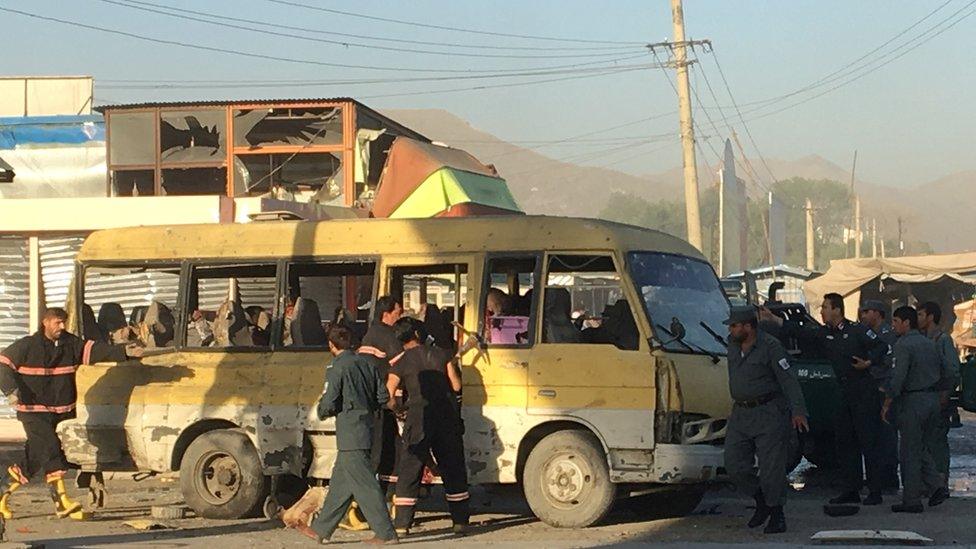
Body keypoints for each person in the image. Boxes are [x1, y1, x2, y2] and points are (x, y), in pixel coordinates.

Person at [0, 307, 141, 522]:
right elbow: (3, 364)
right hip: (33, 411)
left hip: (60, 412)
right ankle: (62, 503)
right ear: (45, 323)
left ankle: (2, 493)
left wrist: (124, 352)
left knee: (35, 458)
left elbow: (95, 351)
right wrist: (10, 390)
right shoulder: (27, 346)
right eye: (57, 323)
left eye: (64, 322)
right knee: (52, 451)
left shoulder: (70, 344)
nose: (62, 327)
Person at [760, 292, 889, 506]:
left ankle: (875, 491)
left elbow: (882, 347)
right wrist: (774, 319)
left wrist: (868, 363)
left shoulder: (856, 330)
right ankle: (851, 489)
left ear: (837, 310)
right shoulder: (824, 334)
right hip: (842, 392)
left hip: (863, 392)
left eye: (825, 307)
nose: (821, 311)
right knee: (845, 443)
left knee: (868, 442)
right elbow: (800, 332)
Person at [296, 325, 397, 544]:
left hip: (350, 432)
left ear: (331, 345)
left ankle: (386, 532)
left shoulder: (337, 366)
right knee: (341, 484)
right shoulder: (368, 364)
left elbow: (330, 399)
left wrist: (322, 411)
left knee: (366, 485)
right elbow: (382, 397)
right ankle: (321, 529)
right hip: (366, 428)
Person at [724, 306, 808, 534]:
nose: (731, 330)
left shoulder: (771, 347)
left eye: (734, 325)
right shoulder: (732, 345)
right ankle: (760, 499)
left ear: (748, 326)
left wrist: (798, 411)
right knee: (734, 464)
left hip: (768, 411)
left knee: (772, 467)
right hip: (741, 413)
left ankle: (776, 513)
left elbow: (788, 379)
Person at [387, 318, 469, 536]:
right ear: (417, 333)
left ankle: (403, 524)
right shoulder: (442, 354)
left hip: (418, 418)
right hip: (446, 417)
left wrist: (398, 409)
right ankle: (460, 522)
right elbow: (456, 385)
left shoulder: (401, 361)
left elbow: (389, 391)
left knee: (410, 469)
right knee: (453, 467)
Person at [882, 306, 949, 513]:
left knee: (909, 452)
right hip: (932, 400)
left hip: (913, 401)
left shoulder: (903, 345)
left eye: (895, 321)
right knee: (920, 448)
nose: (893, 326)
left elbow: (898, 378)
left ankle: (911, 500)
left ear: (906, 323)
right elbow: (946, 370)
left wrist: (887, 401)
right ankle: (937, 486)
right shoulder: (930, 343)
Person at [362, 296, 404, 490]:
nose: (400, 316)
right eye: (398, 312)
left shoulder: (371, 333)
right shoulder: (389, 336)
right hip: (385, 401)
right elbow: (404, 365)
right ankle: (375, 496)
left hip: (374, 400)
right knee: (383, 448)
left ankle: (385, 491)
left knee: (388, 445)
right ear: (386, 314)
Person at [917, 301, 960, 492]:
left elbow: (952, 370)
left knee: (937, 441)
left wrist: (945, 394)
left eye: (921, 315)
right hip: (924, 397)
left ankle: (940, 480)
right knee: (923, 441)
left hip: (939, 396)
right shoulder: (920, 339)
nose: (918, 319)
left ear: (930, 317)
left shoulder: (943, 340)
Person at [858, 300, 900, 492]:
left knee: (887, 436)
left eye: (867, 312)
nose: (863, 315)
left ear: (878, 313)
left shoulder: (888, 336)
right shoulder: (864, 334)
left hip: (883, 389)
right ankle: (876, 476)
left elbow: (891, 365)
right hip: (868, 389)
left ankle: (889, 477)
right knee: (872, 436)